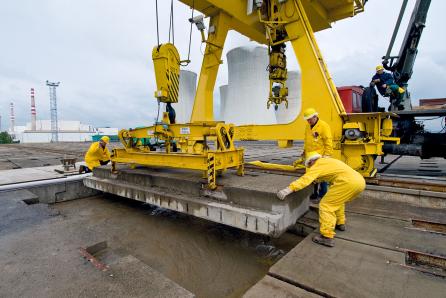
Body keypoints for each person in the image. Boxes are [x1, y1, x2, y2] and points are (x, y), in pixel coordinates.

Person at [277, 152, 366, 247]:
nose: (310, 168)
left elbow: (305, 179)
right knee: (337, 202)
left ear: (311, 161)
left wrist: (288, 189)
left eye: (309, 165)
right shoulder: (327, 161)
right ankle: (340, 223)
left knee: (326, 206)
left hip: (347, 183)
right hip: (359, 182)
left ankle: (327, 237)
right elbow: (325, 175)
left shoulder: (317, 165)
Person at [302, 108, 333, 202]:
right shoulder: (308, 126)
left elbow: (328, 141)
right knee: (312, 176)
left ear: (315, 116)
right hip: (310, 156)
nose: (309, 121)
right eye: (307, 119)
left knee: (322, 176)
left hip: (320, 156)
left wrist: (327, 155)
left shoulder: (323, 126)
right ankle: (314, 193)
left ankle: (322, 195)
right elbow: (307, 140)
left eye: (310, 119)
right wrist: (304, 151)